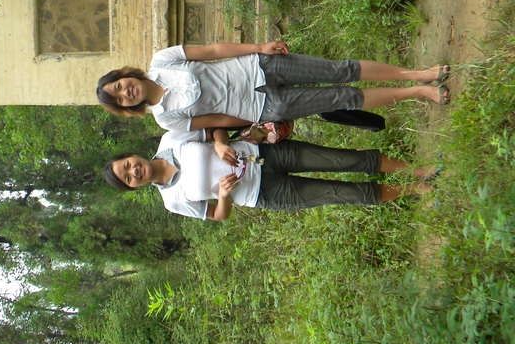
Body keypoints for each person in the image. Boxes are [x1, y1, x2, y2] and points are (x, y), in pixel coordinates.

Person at [96, 41, 451, 133]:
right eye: (119, 97)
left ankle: (418, 74)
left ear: (125, 76)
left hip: (259, 67)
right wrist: (257, 125)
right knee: (344, 97)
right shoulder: (165, 119)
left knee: (339, 69)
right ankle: (419, 93)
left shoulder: (162, 60)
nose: (125, 91)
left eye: (120, 85)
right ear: (126, 107)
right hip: (266, 109)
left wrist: (258, 47)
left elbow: (214, 51)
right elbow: (217, 120)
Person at [103, 128, 434, 221]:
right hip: (267, 194)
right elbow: (218, 216)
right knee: (341, 194)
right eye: (129, 178)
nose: (134, 171)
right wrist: (223, 195)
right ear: (134, 187)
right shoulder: (172, 201)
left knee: (343, 160)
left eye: (128, 165)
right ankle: (417, 189)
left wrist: (219, 145)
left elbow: (215, 131)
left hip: (267, 153)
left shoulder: (170, 139)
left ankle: (421, 172)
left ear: (131, 156)